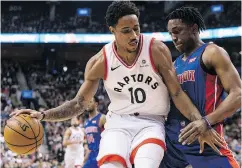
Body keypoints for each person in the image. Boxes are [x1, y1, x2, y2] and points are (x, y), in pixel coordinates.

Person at [12, 2, 223, 168]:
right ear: (112, 30)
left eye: (136, 28)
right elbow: (79, 103)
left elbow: (177, 93)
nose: (133, 36)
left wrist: (200, 123)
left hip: (152, 123)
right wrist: (43, 115)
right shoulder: (99, 62)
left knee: (146, 163)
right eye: (126, 31)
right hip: (118, 124)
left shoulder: (156, 50)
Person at [160, 6, 241, 168]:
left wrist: (205, 122)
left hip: (205, 137)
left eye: (177, 31)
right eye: (170, 34)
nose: (173, 37)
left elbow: (237, 94)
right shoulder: (174, 65)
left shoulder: (212, 52)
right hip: (173, 144)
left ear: (194, 28)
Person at [82, 96, 106, 168]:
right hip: (91, 155)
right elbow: (88, 142)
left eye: (90, 102)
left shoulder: (102, 118)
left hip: (101, 154)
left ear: (96, 104)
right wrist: (85, 159)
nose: (88, 104)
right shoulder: (86, 122)